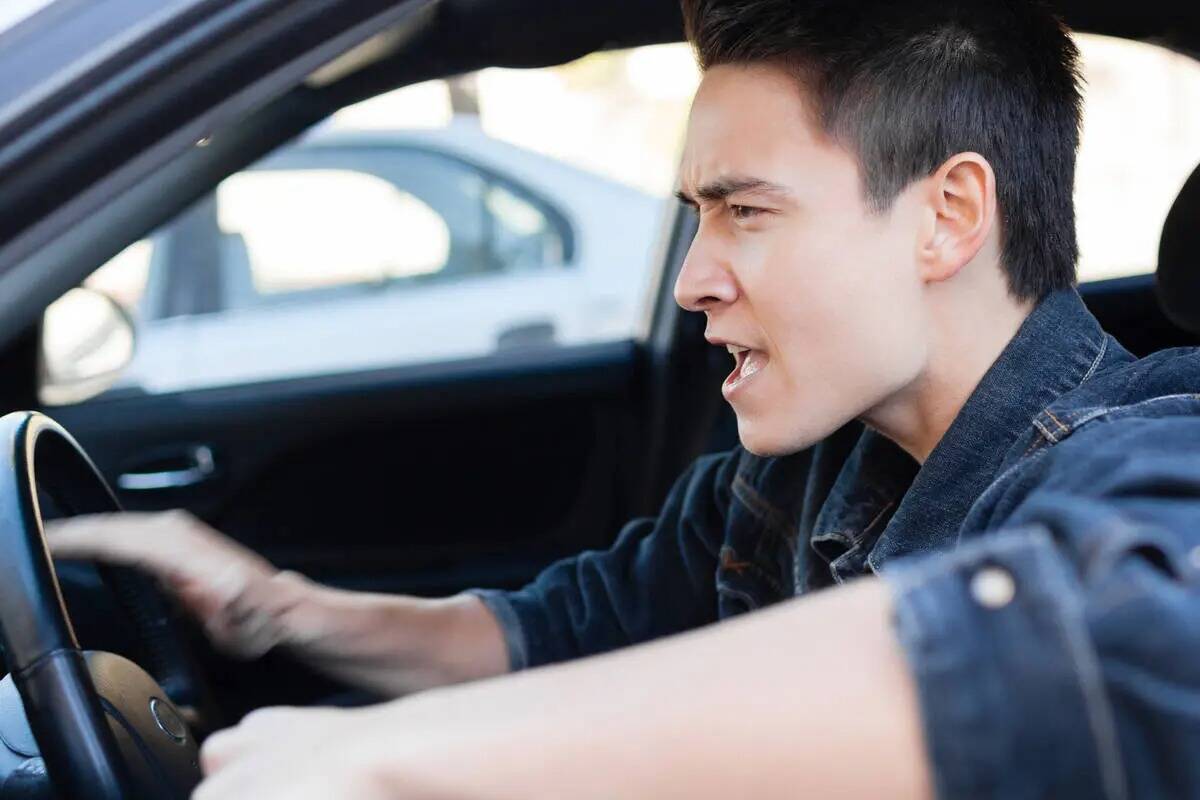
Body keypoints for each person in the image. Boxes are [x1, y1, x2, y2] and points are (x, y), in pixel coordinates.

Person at [48, 0, 1200, 797]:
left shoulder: (1147, 444)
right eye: (698, 214)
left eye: (746, 210)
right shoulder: (797, 469)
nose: (696, 277)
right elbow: (556, 635)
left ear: (948, 216)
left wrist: (402, 757)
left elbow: (1115, 629)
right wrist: (285, 608)